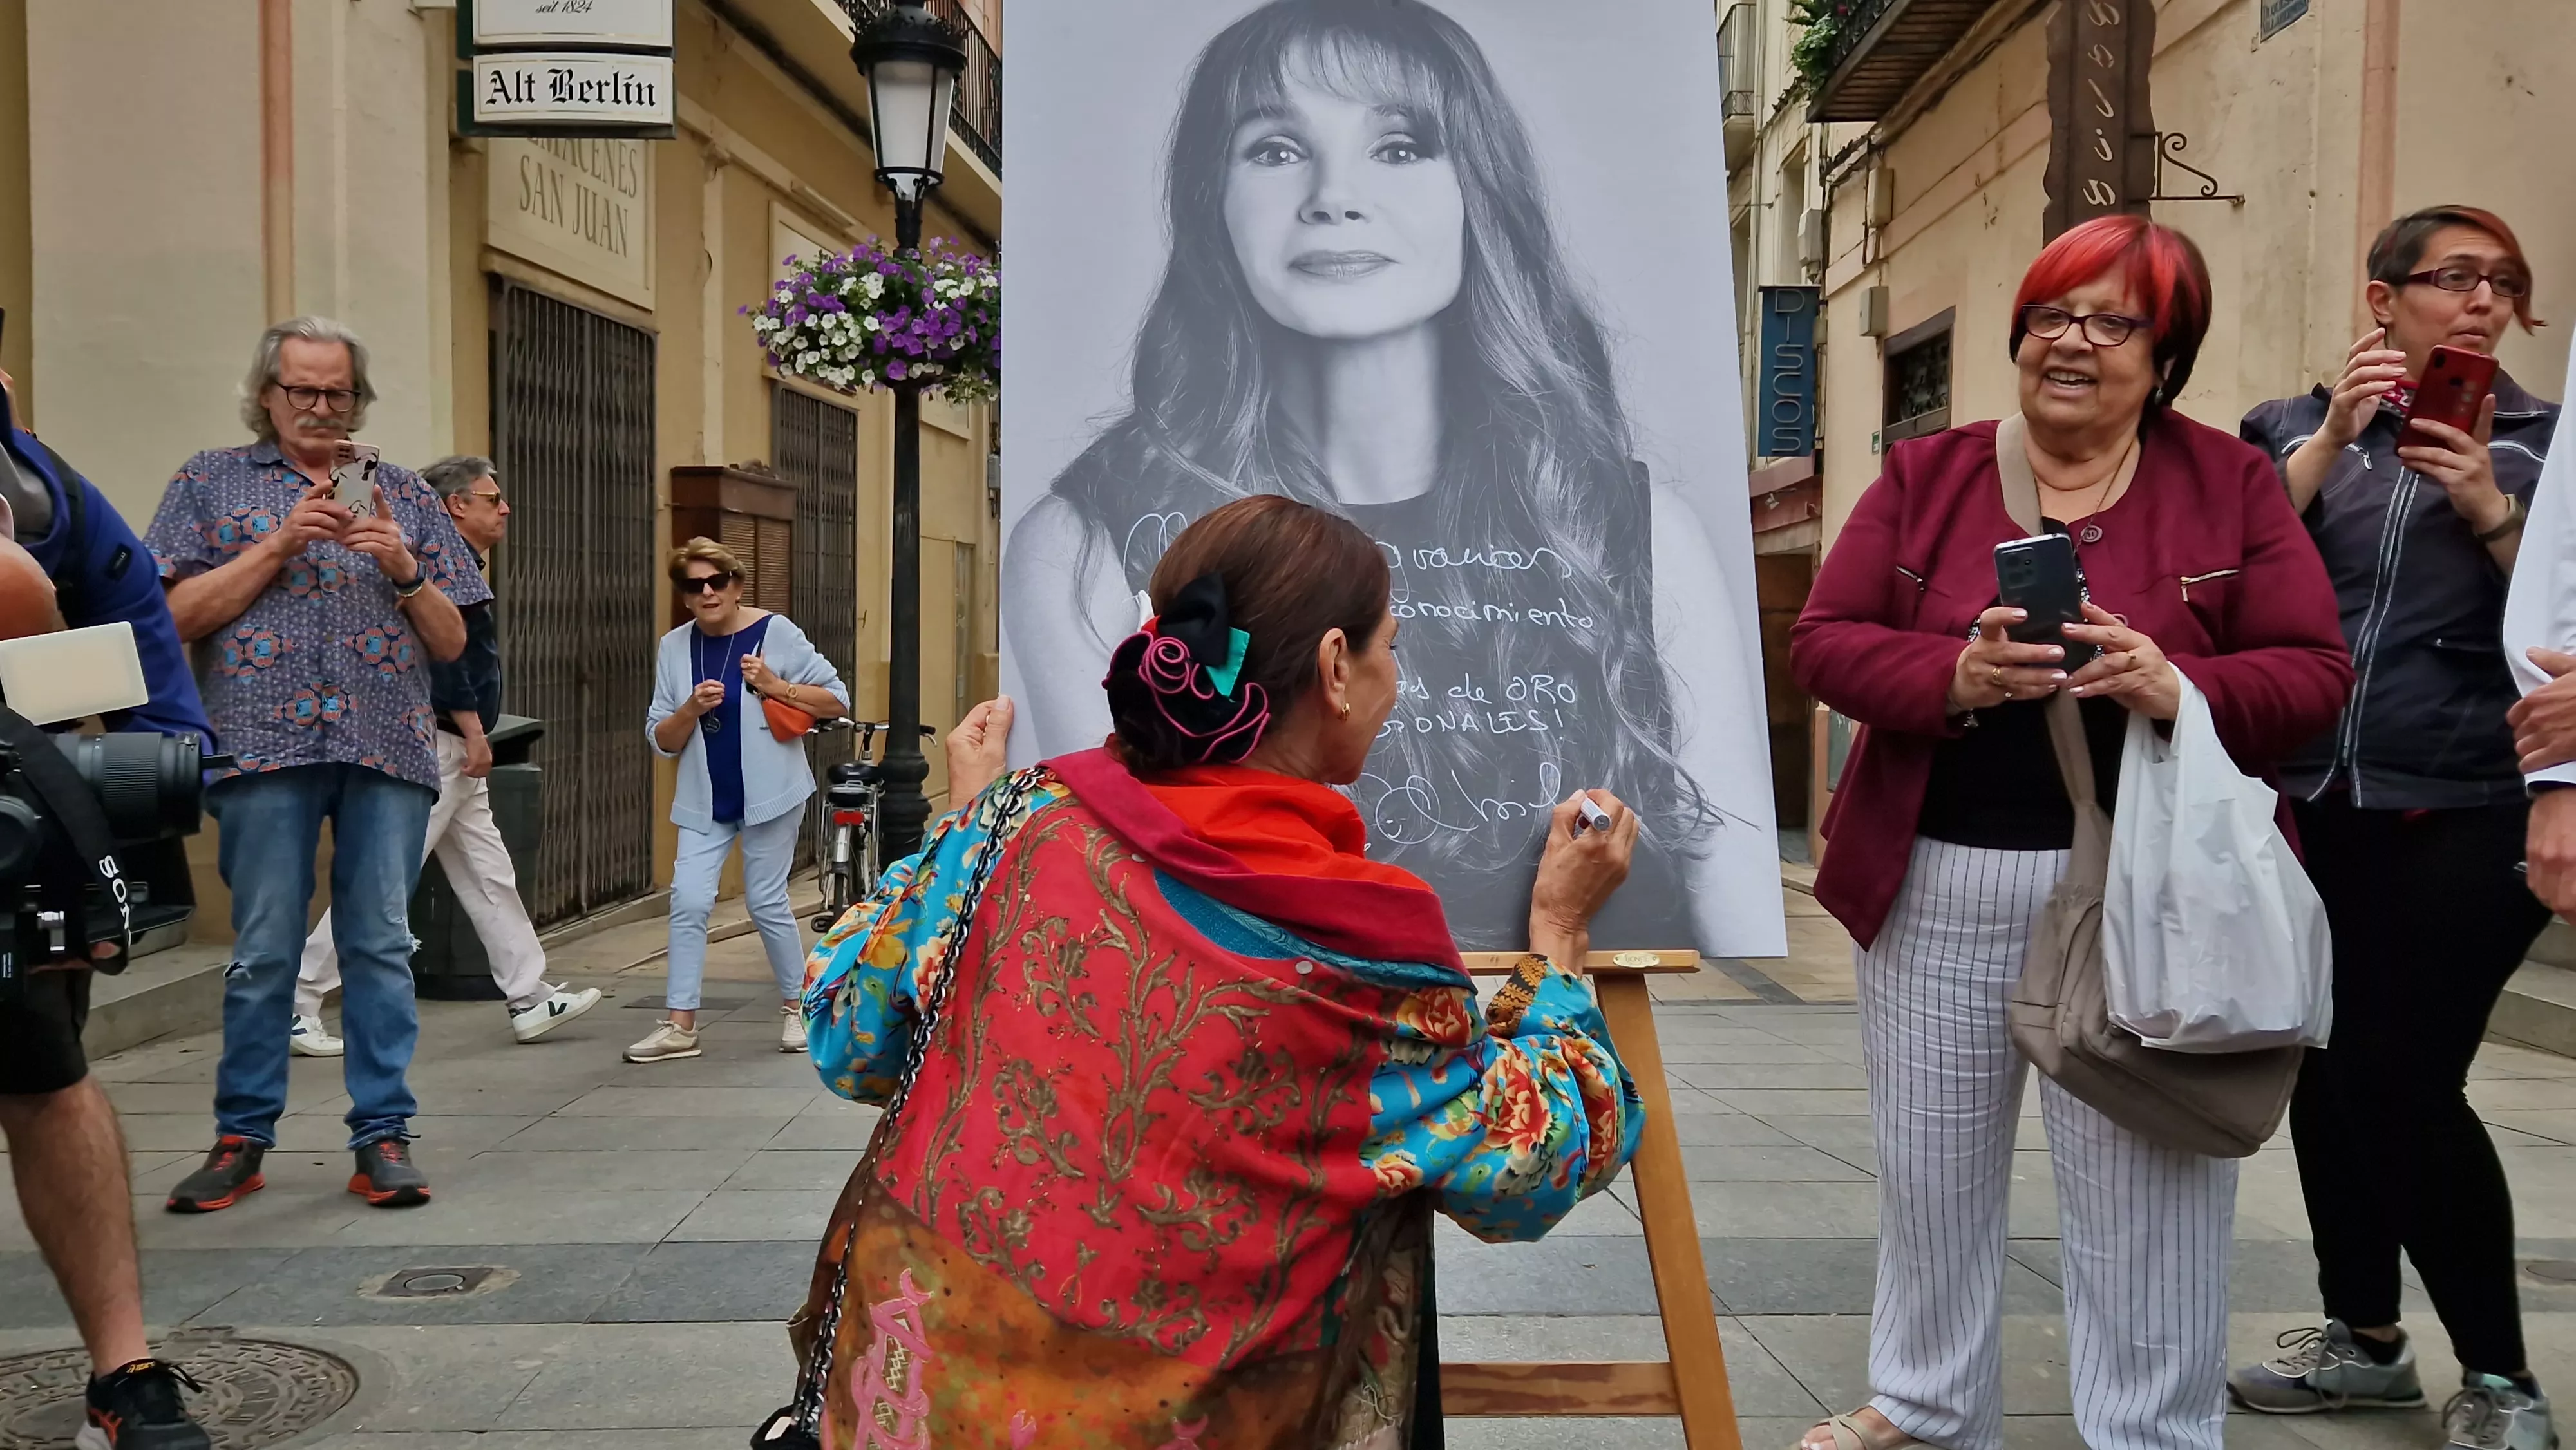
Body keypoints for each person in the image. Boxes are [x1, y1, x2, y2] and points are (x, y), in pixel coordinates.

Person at [788, 496, 1643, 1444]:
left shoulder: (1020, 821)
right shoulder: (1366, 945)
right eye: (1389, 647)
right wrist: (1558, 939)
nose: (1395, 679)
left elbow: (852, 1037)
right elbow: (1528, 1166)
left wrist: (965, 830)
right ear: (1334, 668)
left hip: (924, 1399)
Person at [1004, 0, 1759, 951]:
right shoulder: (1085, 542)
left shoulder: (1632, 526)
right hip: (1255, 1070)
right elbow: (1108, 912)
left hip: (1558, 1055)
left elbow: (1729, 884)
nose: (1334, 196)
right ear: (1211, 200)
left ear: (1478, 190)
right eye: (1276, 150)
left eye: (1399, 147)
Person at [1789, 216, 2352, 1450]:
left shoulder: (2231, 482)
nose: (2071, 343)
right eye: (2051, 314)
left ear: (2166, 356)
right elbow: (1825, 639)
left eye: (2112, 322)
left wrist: (2177, 684)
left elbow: (2315, 670)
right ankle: (1930, 1407)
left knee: (2150, 1189)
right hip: (1935, 878)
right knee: (1932, 1178)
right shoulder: (1925, 475)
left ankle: (2152, 1432)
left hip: (2152, 892)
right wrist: (1957, 671)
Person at [2231, 205, 2561, 1449]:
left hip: (2470, 806)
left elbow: (2565, 623)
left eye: (2504, 284)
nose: (2481, 302)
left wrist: (2487, 503)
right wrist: (2332, 436)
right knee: (2329, 1066)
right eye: (2452, 278)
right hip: (2316, 807)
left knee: (2406, 1079)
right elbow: (2228, 556)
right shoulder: (2289, 430)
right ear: (2385, 302)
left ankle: (2504, 1377)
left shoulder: (2547, 449)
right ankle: (2364, 1341)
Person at [147, 316, 486, 1213]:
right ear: (268, 394)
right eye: (303, 390)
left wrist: (409, 570)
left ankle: (383, 1137)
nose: (322, 407)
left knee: (379, 944)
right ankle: (240, 1138)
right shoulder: (208, 482)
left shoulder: (406, 494)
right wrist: (279, 543)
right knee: (263, 951)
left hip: (387, 743)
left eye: (339, 392)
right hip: (260, 745)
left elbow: (455, 640)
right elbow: (175, 616)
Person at [0, 413, 213, 1445]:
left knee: (49, 1077)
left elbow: (135, 641)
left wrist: (129, 852)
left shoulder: (39, 485)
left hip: (14, 827)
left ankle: (121, 1372)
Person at [287, 457, 599, 1057]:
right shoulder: (434, 556)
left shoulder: (431, 550)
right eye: (492, 498)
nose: (504, 508)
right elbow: (445, 656)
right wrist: (474, 730)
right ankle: (299, 998)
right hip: (436, 741)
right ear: (457, 505)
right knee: (386, 875)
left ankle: (530, 994)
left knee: (487, 871)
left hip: (441, 740)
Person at [630, 538, 849, 1064]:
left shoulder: (776, 632)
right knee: (688, 900)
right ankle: (680, 1024)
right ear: (684, 595)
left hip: (772, 790)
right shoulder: (674, 647)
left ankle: (799, 1009)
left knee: (767, 900)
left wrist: (774, 685)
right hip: (705, 796)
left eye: (717, 581)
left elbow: (836, 698)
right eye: (694, 586)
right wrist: (688, 709)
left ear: (736, 584)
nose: (707, 592)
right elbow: (661, 737)